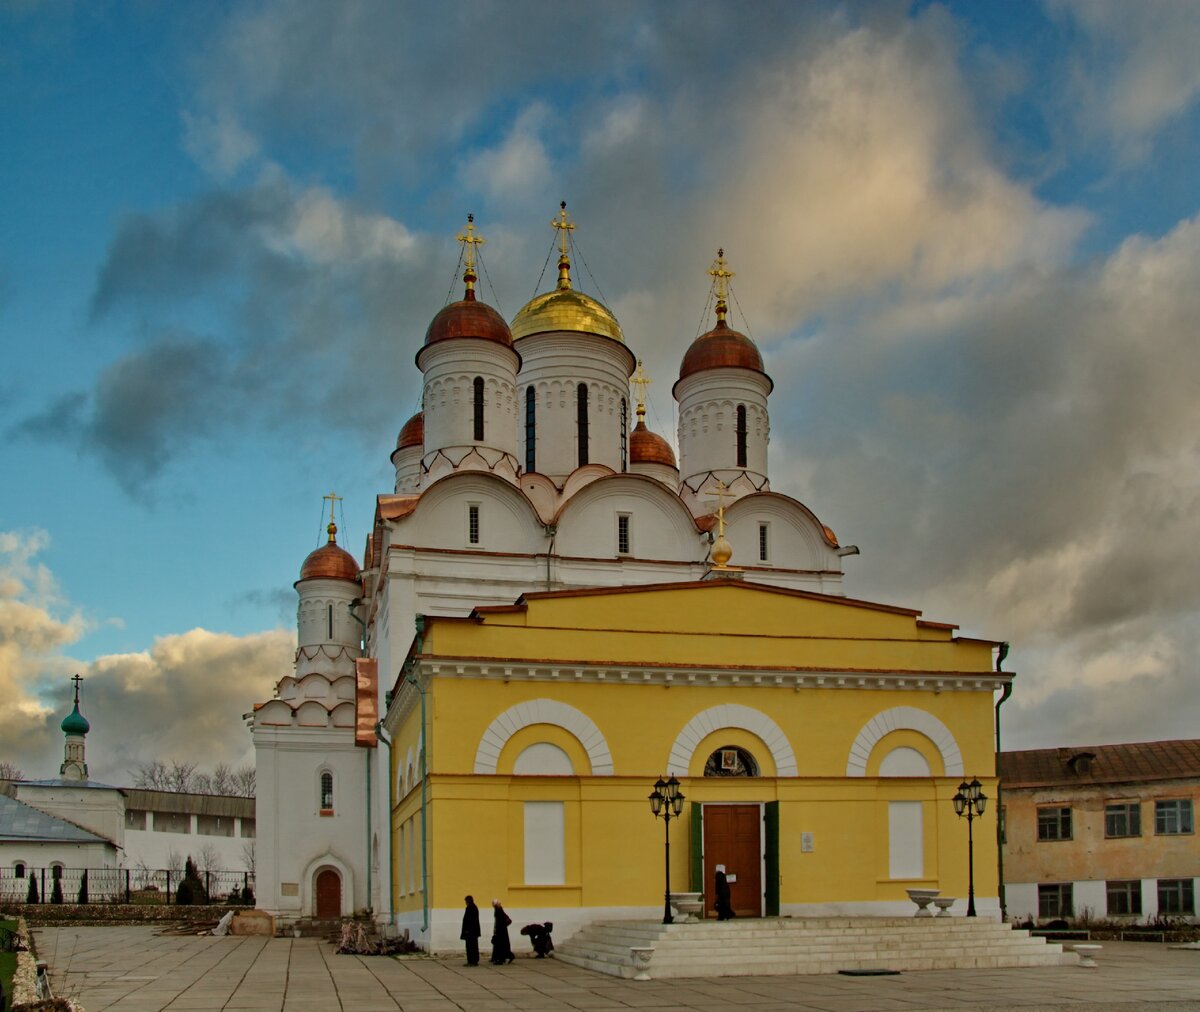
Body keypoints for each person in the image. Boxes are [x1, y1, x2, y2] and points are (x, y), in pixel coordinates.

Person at [490, 898, 514, 964]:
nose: (493, 906)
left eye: (494, 905)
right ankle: (500, 958)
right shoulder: (498, 910)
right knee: (501, 945)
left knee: (501, 945)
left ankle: (502, 959)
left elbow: (502, 921)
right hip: (500, 931)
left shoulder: (499, 911)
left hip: (501, 931)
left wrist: (501, 927)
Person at [461, 895, 481, 966]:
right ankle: (473, 960)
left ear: (468, 901)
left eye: (466, 901)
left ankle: (472, 961)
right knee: (473, 946)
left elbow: (469, 920)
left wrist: (467, 930)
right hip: (473, 932)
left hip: (470, 932)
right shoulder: (474, 907)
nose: (465, 902)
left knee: (470, 947)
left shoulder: (470, 908)